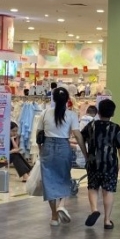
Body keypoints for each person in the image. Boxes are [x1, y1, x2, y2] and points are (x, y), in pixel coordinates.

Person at [39, 86, 85, 225]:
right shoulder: (71, 115)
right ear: (67, 100)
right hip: (63, 146)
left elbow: (39, 134)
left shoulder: (45, 113)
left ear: (53, 99)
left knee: (49, 181)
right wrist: (85, 153)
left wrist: (41, 150)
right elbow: (77, 135)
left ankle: (54, 216)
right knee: (64, 177)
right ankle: (62, 205)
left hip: (47, 146)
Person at [80, 99, 120, 229]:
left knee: (93, 188)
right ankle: (107, 220)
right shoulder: (115, 128)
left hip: (93, 163)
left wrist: (86, 154)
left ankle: (94, 210)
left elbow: (81, 138)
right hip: (110, 165)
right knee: (108, 191)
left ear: (98, 112)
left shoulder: (91, 126)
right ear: (113, 113)